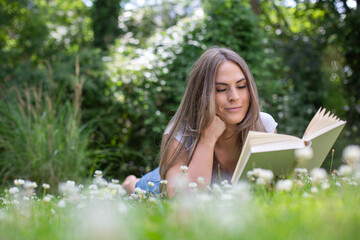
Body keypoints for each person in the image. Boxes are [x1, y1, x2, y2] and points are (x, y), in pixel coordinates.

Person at [122, 47, 277, 197]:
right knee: (142, 187)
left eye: (241, 86)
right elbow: (182, 197)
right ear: (201, 94)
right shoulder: (181, 130)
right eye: (221, 89)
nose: (234, 96)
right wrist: (207, 139)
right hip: (170, 180)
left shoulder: (264, 124)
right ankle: (129, 183)